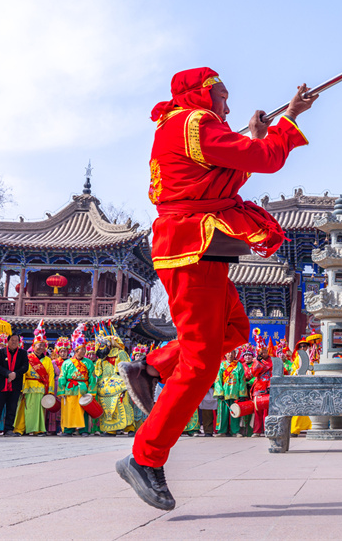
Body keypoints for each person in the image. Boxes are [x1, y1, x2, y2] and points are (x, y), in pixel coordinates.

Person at [115, 68, 316, 510]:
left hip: (199, 248)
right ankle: (145, 458)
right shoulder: (195, 122)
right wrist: (289, 119)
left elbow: (221, 180)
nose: (227, 106)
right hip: (192, 249)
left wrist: (256, 135)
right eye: (221, 96)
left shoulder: (181, 127)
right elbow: (266, 160)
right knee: (200, 362)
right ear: (201, 95)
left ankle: (151, 368)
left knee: (234, 331)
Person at [14, 322, 54, 435]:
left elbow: (51, 375)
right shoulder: (27, 358)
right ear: (34, 346)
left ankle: (38, 429)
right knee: (24, 408)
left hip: (41, 387)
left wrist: (50, 390)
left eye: (43, 345)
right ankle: (20, 429)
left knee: (38, 410)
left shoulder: (48, 360)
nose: (41, 347)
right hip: (28, 386)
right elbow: (22, 373)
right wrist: (21, 387)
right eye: (38, 345)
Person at [58, 325, 97, 436]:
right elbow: (62, 377)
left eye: (85, 349)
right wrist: (61, 391)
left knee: (83, 408)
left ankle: (83, 430)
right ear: (76, 350)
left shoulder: (88, 363)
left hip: (83, 387)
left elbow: (92, 378)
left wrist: (92, 392)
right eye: (82, 349)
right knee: (69, 409)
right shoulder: (67, 363)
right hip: (70, 387)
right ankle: (68, 430)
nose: (84, 351)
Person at [94, 335, 135, 435]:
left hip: (120, 384)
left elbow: (127, 368)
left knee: (123, 405)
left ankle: (130, 428)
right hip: (105, 386)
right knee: (107, 407)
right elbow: (98, 372)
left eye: (103, 345)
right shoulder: (102, 357)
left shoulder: (120, 353)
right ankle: (110, 430)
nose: (101, 347)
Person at [0, 333, 28, 436]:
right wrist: (7, 373)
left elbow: (25, 367)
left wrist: (15, 374)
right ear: (8, 341)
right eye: (12, 340)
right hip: (1, 384)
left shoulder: (22, 353)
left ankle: (9, 429)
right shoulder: (0, 352)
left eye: (16, 340)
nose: (14, 342)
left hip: (15, 384)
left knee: (12, 408)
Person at [213, 350, 247, 437]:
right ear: (225, 354)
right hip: (224, 393)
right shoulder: (221, 365)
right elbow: (218, 379)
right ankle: (222, 431)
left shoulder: (239, 365)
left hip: (235, 393)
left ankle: (236, 431)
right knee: (223, 413)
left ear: (235, 354)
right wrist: (219, 392)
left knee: (235, 412)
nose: (230, 354)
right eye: (228, 352)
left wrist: (242, 394)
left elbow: (242, 380)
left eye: (232, 352)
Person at [246, 336, 273, 436]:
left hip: (268, 388)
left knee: (267, 411)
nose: (263, 354)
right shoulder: (256, 361)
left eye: (265, 351)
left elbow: (273, 375)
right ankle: (256, 431)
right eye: (261, 352)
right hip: (258, 388)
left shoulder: (272, 361)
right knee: (257, 410)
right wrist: (258, 361)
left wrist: (270, 386)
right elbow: (253, 373)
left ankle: (267, 430)